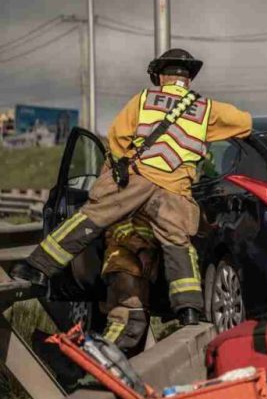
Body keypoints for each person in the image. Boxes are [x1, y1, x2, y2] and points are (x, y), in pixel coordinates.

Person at [12, 49, 252, 326]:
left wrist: (119, 172)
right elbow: (245, 123)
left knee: (91, 218)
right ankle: (188, 309)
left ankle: (37, 268)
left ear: (161, 75)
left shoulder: (144, 99)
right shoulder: (208, 109)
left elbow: (117, 140)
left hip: (138, 177)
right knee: (177, 245)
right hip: (174, 188)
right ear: (189, 79)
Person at [100, 214, 160, 355]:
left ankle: (104, 362)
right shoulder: (128, 197)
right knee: (126, 318)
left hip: (132, 269)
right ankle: (98, 360)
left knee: (135, 321)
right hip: (125, 267)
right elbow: (118, 224)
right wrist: (141, 250)